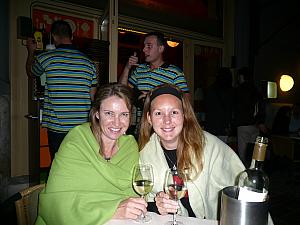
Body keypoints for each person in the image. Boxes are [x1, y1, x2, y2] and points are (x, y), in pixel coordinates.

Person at [35, 83, 147, 225]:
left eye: (124, 114)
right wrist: (112, 210)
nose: (117, 122)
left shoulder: (130, 145)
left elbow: (136, 193)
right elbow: (57, 203)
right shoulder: (77, 140)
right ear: (97, 114)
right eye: (109, 113)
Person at [138, 83, 245, 220]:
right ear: (149, 118)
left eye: (174, 112)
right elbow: (147, 201)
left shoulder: (212, 148)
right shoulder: (145, 153)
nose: (167, 120)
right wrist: (158, 204)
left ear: (184, 114)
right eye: (158, 113)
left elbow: (242, 195)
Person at [26, 20, 97, 162]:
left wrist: (31, 51)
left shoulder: (46, 58)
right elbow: (93, 97)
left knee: (59, 164)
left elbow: (31, 72)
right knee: (80, 163)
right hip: (82, 128)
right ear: (71, 37)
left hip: (57, 127)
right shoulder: (89, 63)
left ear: (53, 37)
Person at [118, 31, 189, 136]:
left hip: (163, 129)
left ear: (161, 49)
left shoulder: (175, 73)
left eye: (149, 46)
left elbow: (186, 102)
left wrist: (151, 97)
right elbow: (122, 89)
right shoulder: (140, 69)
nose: (144, 49)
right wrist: (127, 67)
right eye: (144, 46)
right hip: (140, 128)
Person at [234, 67, 267, 166]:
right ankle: (254, 172)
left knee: (243, 154)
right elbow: (261, 107)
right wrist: (260, 122)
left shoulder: (238, 91)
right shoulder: (256, 90)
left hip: (242, 125)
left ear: (241, 77)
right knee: (254, 154)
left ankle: (245, 174)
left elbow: (236, 108)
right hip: (255, 125)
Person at [205, 67, 234, 143]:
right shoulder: (230, 91)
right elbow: (229, 110)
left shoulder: (211, 89)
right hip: (223, 126)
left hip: (211, 125)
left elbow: (208, 108)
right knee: (222, 150)